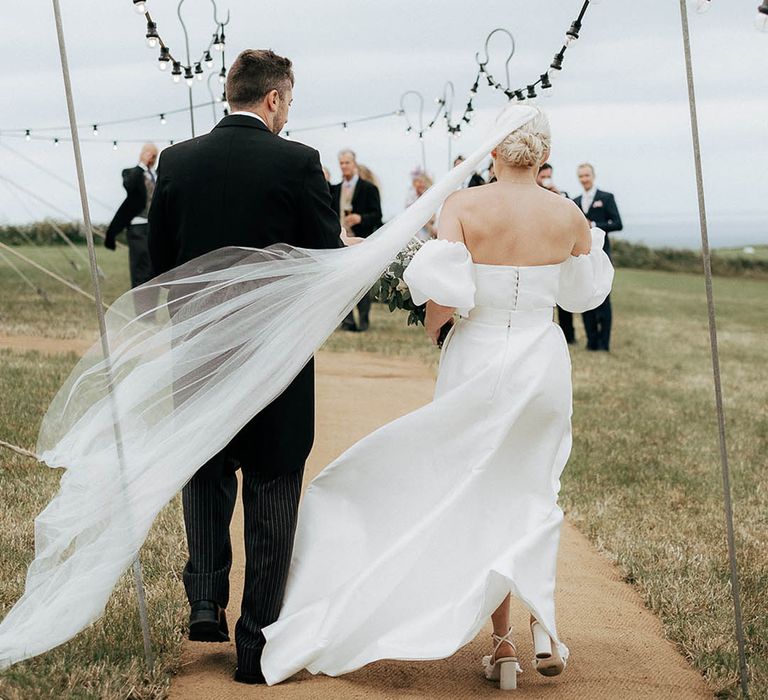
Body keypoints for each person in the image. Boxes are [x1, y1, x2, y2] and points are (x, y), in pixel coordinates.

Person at [260, 108, 614, 690]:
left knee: (478, 492)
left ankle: (502, 648)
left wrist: (440, 331)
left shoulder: (464, 207)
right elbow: (582, 295)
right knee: (533, 487)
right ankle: (542, 624)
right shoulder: (569, 214)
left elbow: (443, 301)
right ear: (541, 153)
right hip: (543, 362)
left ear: (493, 152)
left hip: (479, 359)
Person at [147, 49, 342, 685]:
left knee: (204, 463)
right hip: (275, 354)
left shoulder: (176, 162)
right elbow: (323, 261)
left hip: (200, 348)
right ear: (275, 99)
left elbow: (161, 263)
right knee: (273, 481)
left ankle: (205, 594)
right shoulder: (299, 163)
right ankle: (255, 643)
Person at [329, 149, 383, 331]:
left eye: (347, 163)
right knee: (342, 282)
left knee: (362, 282)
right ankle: (348, 321)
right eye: (341, 163)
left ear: (354, 164)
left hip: (361, 241)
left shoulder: (369, 189)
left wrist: (360, 218)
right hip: (340, 243)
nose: (344, 166)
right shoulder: (335, 190)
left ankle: (364, 319)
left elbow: (377, 215)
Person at [572, 163, 623, 351]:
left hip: (601, 254)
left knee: (603, 298)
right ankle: (591, 341)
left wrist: (593, 223)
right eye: (581, 176)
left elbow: (617, 223)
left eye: (586, 175)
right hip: (583, 256)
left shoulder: (606, 198)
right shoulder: (576, 201)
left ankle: (604, 343)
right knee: (586, 296)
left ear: (593, 176)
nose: (584, 179)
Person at [104, 143, 160, 311]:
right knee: (141, 269)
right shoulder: (131, 173)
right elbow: (129, 185)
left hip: (155, 227)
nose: (152, 158)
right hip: (138, 227)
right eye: (149, 154)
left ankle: (151, 311)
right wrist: (141, 164)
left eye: (154, 155)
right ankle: (143, 313)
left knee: (154, 270)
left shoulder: (158, 175)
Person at [536, 163, 575, 343]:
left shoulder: (561, 196)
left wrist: (556, 195)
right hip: (538, 251)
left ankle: (568, 334)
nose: (546, 180)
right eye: (543, 176)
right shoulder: (532, 195)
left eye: (548, 176)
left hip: (557, 252)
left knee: (563, 293)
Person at [408, 169, 436, 241]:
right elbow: (417, 216)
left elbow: (433, 216)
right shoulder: (412, 198)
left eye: (423, 182)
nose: (422, 184)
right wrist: (430, 228)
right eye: (419, 182)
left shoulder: (429, 197)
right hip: (418, 232)